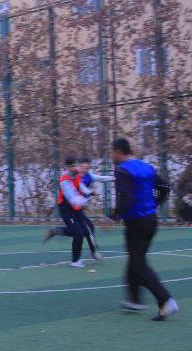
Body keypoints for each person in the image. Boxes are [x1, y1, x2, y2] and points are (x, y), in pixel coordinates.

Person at [110, 138, 177, 321]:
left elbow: (126, 197)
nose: (111, 156)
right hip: (150, 220)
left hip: (136, 223)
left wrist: (114, 217)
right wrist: (153, 205)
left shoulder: (122, 170)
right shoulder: (147, 167)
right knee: (135, 259)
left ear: (118, 151)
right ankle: (134, 300)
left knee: (138, 264)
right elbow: (165, 187)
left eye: (112, 152)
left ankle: (165, 300)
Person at [42, 157, 100, 266]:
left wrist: (90, 192)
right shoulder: (64, 180)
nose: (75, 168)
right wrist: (86, 199)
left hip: (76, 209)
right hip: (66, 209)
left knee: (86, 229)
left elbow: (82, 188)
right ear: (67, 167)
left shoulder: (77, 175)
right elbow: (73, 199)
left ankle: (58, 231)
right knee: (78, 234)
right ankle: (75, 261)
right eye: (72, 166)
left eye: (75, 165)